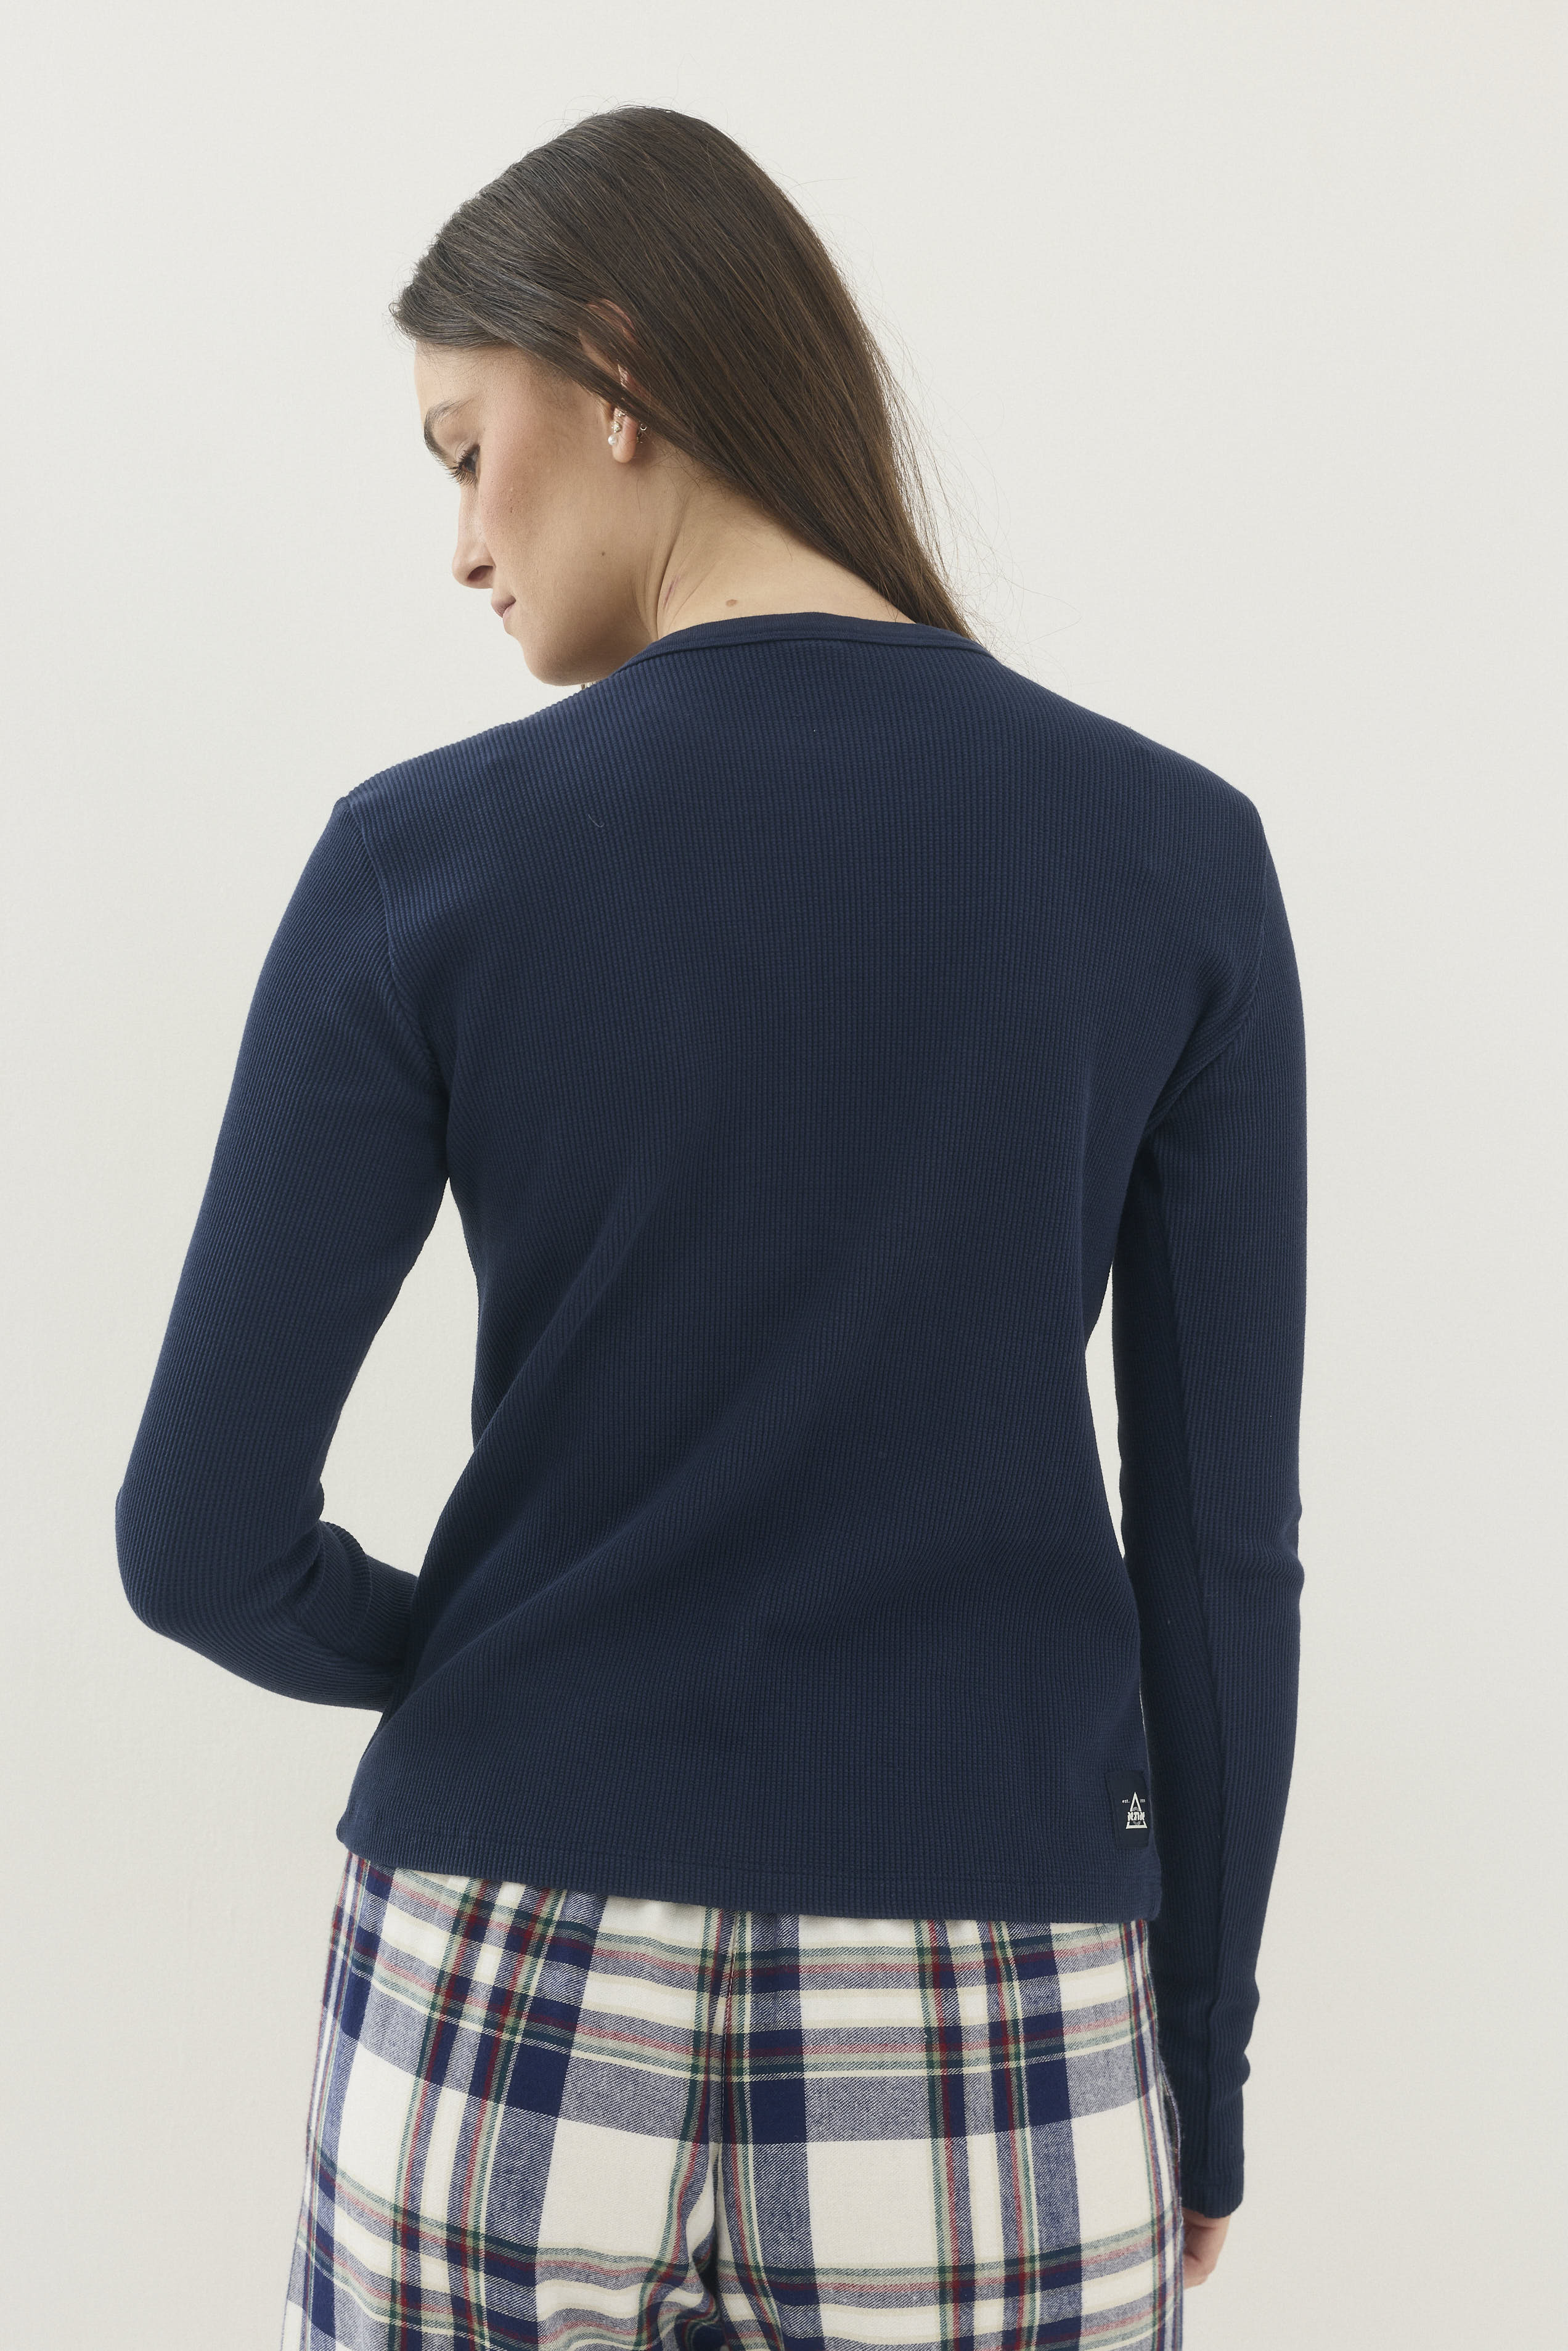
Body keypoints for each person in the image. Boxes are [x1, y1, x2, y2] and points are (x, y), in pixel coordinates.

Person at [115, 105, 1305, 2351]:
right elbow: (1221, 1557)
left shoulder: (423, 863)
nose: (462, 545)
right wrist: (1205, 2072)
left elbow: (194, 1543)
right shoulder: (1173, 858)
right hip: (994, 2006)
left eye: (466, 451)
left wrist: (491, 1644)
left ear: (618, 376)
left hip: (498, 1989)